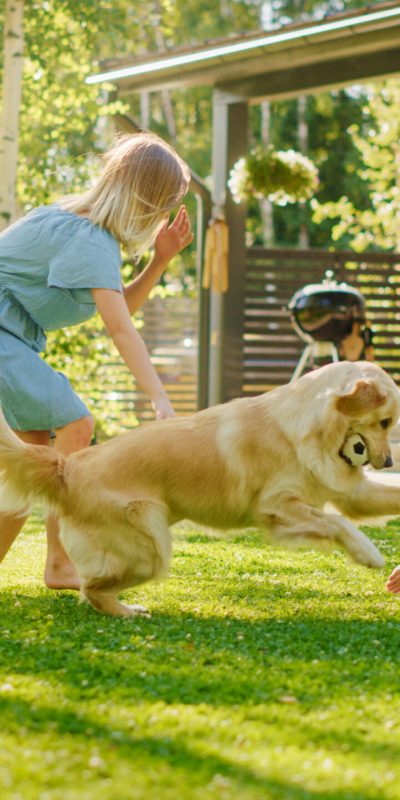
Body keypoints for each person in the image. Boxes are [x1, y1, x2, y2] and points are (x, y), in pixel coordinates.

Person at [0, 132, 193, 590]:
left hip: (15, 344)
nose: (163, 216)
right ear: (147, 202)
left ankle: (57, 565)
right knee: (76, 425)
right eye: (166, 204)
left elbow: (119, 310)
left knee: (33, 463)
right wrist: (160, 399)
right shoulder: (90, 240)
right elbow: (121, 329)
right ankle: (62, 564)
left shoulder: (78, 226)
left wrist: (160, 260)